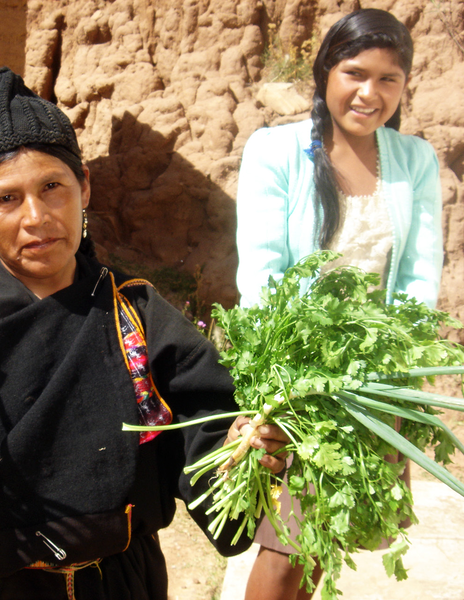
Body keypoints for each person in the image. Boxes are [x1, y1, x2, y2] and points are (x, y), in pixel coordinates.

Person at [0, 66, 288, 600]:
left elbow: (206, 422)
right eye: (6, 199)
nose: (36, 216)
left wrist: (243, 449)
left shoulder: (134, 307)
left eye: (53, 187)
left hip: (125, 582)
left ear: (85, 187)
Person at [235, 9, 442, 600]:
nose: (369, 93)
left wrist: (391, 375)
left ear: (403, 87)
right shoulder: (275, 151)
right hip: (299, 378)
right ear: (326, 70)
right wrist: (277, 383)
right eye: (355, 73)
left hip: (374, 378)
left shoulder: (414, 161)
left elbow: (420, 275)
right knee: (285, 551)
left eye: (388, 79)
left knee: (327, 542)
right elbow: (263, 270)